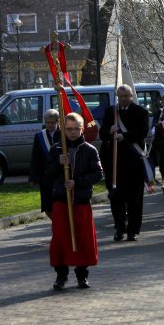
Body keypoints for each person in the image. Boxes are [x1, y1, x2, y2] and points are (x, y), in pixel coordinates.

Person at [46, 112, 103, 290]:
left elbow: (98, 173)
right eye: (68, 129)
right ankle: (61, 276)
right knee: (61, 238)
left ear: (82, 129)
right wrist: (58, 163)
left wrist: (77, 182)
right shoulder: (56, 149)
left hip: (80, 200)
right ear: (63, 129)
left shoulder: (89, 150)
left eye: (75, 129)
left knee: (82, 238)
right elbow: (48, 173)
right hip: (61, 200)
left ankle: (82, 275)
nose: (72, 132)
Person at [100, 84, 150, 242]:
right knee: (116, 197)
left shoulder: (140, 112)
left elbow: (143, 131)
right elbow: (101, 133)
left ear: (131, 96)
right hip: (114, 162)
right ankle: (119, 227)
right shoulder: (111, 111)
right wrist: (109, 131)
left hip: (133, 161)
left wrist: (125, 136)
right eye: (120, 96)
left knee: (134, 198)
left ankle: (133, 230)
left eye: (125, 96)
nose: (122, 99)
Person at [29, 109, 61, 219]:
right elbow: (35, 158)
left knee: (59, 205)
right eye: (47, 122)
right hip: (45, 177)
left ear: (58, 121)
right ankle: (56, 225)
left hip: (60, 177)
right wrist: (33, 178)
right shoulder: (39, 136)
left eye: (52, 122)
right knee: (47, 207)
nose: (50, 125)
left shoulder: (63, 134)